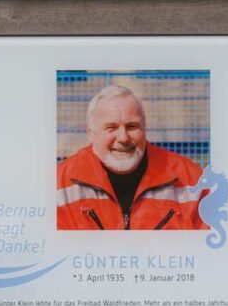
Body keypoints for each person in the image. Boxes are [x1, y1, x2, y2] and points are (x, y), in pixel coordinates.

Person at [57, 85, 209, 230]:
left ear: (145, 128)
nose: (123, 138)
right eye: (111, 128)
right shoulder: (59, 185)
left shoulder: (192, 182)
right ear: (90, 132)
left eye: (132, 127)